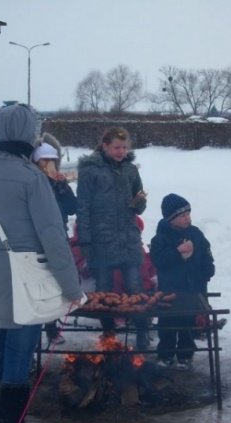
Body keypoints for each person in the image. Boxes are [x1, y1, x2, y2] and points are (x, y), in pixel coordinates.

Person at [0, 104, 84, 423]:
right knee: (18, 353)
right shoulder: (32, 178)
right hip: (25, 281)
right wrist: (73, 288)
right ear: (28, 135)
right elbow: (53, 237)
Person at [76, 127, 149, 349]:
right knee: (104, 291)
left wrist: (140, 203)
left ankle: (142, 332)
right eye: (117, 147)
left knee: (135, 289)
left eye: (125, 147)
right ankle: (108, 333)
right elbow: (83, 207)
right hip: (102, 239)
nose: (121, 151)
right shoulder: (91, 171)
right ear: (105, 146)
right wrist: (85, 240)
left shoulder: (130, 170)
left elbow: (140, 201)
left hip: (127, 238)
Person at [150, 194, 215, 370]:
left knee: (188, 324)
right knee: (168, 325)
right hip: (170, 290)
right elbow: (159, 260)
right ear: (171, 218)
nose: (187, 218)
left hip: (193, 288)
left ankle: (185, 355)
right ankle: (165, 354)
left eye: (188, 214)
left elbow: (206, 253)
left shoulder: (196, 234)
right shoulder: (160, 239)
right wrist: (177, 251)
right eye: (182, 215)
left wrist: (207, 270)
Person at [31, 133, 78, 347]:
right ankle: (40, 327)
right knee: (40, 285)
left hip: (59, 236)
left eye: (52, 161)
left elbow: (72, 207)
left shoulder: (57, 182)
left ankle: (53, 327)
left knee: (57, 282)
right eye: (44, 160)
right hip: (38, 241)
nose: (48, 165)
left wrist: (62, 186)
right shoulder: (32, 182)